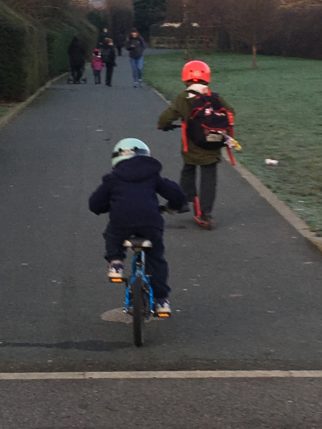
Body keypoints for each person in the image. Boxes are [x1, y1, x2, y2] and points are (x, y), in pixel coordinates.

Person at [88, 138, 186, 315]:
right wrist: (174, 206)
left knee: (112, 234)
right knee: (156, 258)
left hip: (122, 221)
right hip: (150, 222)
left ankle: (116, 263)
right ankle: (161, 301)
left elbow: (95, 204)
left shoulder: (113, 178)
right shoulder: (153, 175)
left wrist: (107, 206)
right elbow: (175, 193)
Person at [158, 60, 235, 230]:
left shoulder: (183, 98)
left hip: (192, 146)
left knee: (188, 169)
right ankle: (206, 214)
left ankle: (184, 199)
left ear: (185, 78)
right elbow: (230, 113)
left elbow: (167, 117)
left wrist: (163, 125)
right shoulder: (214, 97)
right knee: (209, 179)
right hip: (212, 146)